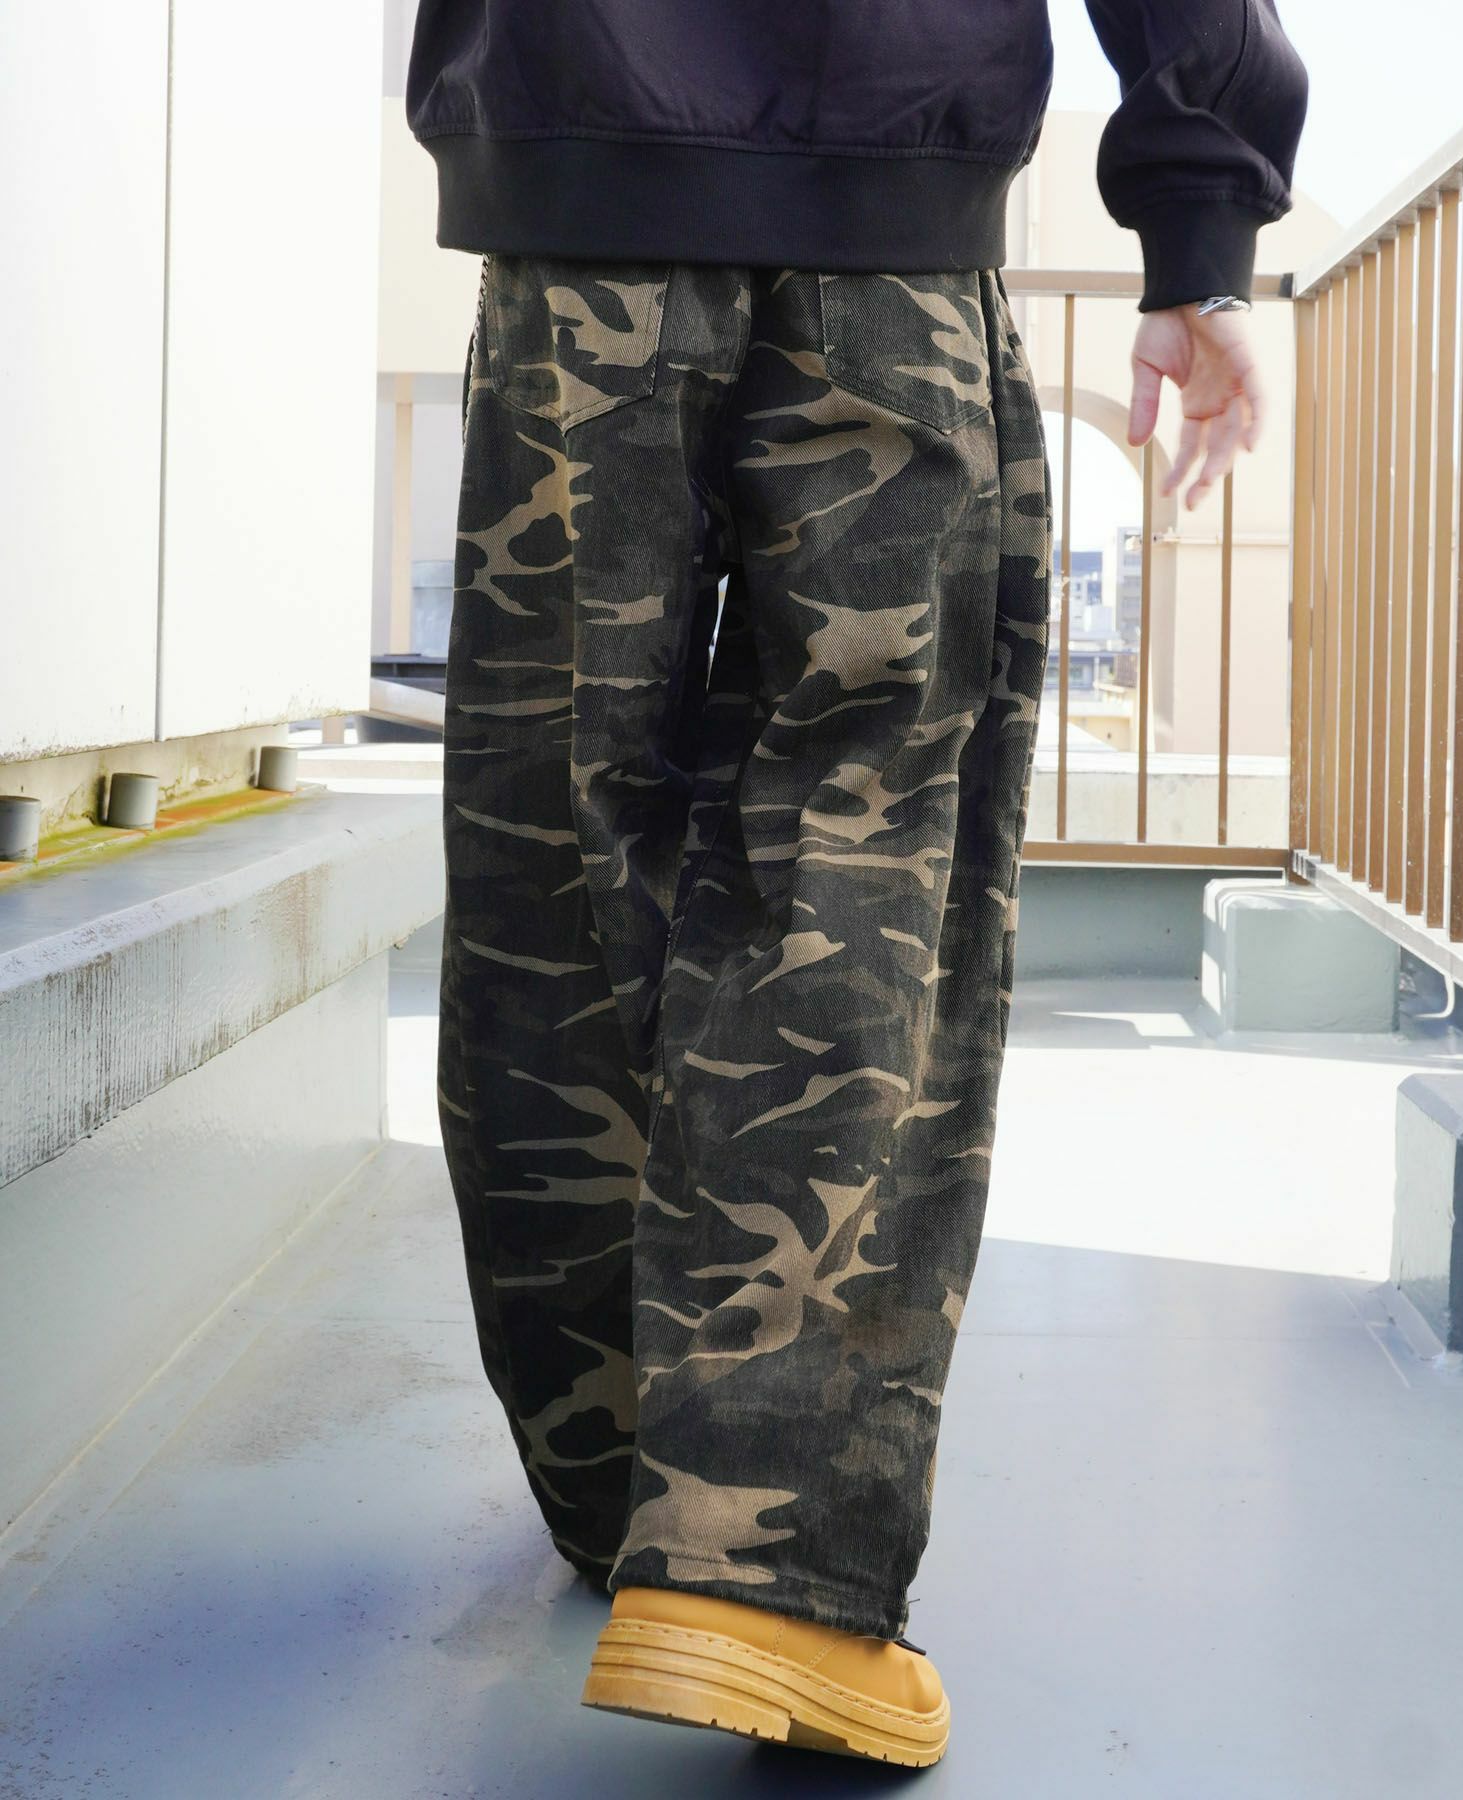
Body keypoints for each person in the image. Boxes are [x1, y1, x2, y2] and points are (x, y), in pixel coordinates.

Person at [407, 0, 1307, 1767]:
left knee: (553, 849)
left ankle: (618, 1488)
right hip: (894, 222)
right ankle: (757, 1571)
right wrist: (1200, 232)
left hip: (574, 204)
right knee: (869, 849)